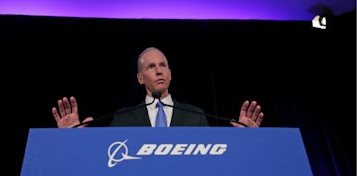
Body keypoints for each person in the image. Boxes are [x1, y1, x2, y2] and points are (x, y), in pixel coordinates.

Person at [52, 47, 264, 128]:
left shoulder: (195, 116)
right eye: (151, 67)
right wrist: (71, 142)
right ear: (140, 78)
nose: (159, 70)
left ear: (170, 74)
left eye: (163, 65)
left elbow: (212, 161)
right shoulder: (123, 118)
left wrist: (243, 141)